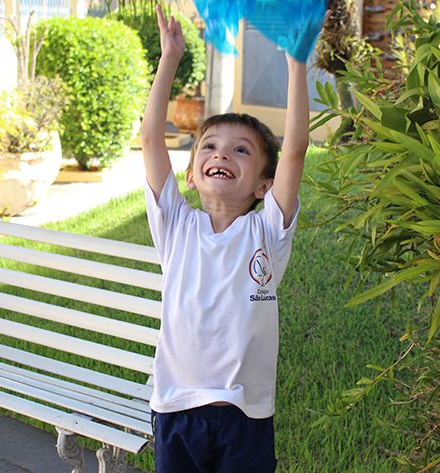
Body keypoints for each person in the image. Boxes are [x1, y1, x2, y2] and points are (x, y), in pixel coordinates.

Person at [139, 5, 327, 472]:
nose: (222, 154)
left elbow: (296, 150)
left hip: (245, 417)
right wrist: (169, 59)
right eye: (209, 146)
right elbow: (150, 140)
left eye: (241, 150)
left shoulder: (267, 231)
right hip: (176, 410)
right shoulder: (176, 225)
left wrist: (296, 63)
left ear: (264, 185)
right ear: (190, 174)